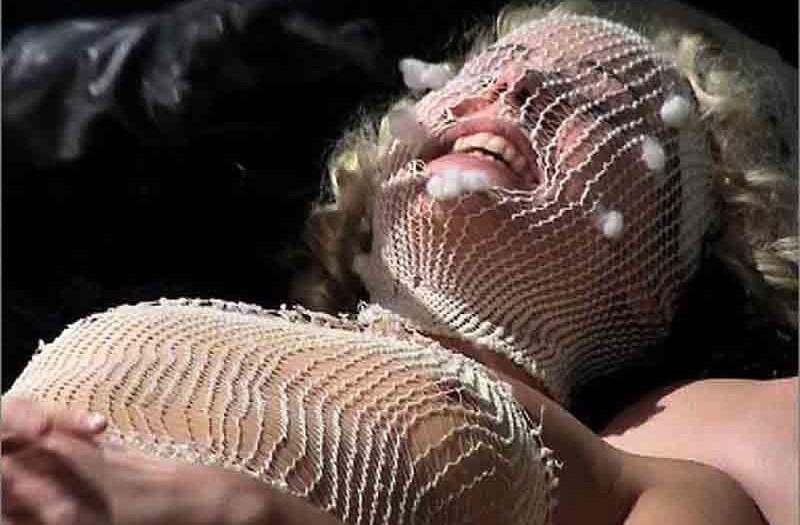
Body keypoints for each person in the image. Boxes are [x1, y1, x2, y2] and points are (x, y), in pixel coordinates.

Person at [2, 1, 796, 525]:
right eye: (482, 74)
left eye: (591, 98)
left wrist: (259, 513)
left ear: (655, 281)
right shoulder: (189, 309)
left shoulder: (649, 488)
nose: (513, 84)